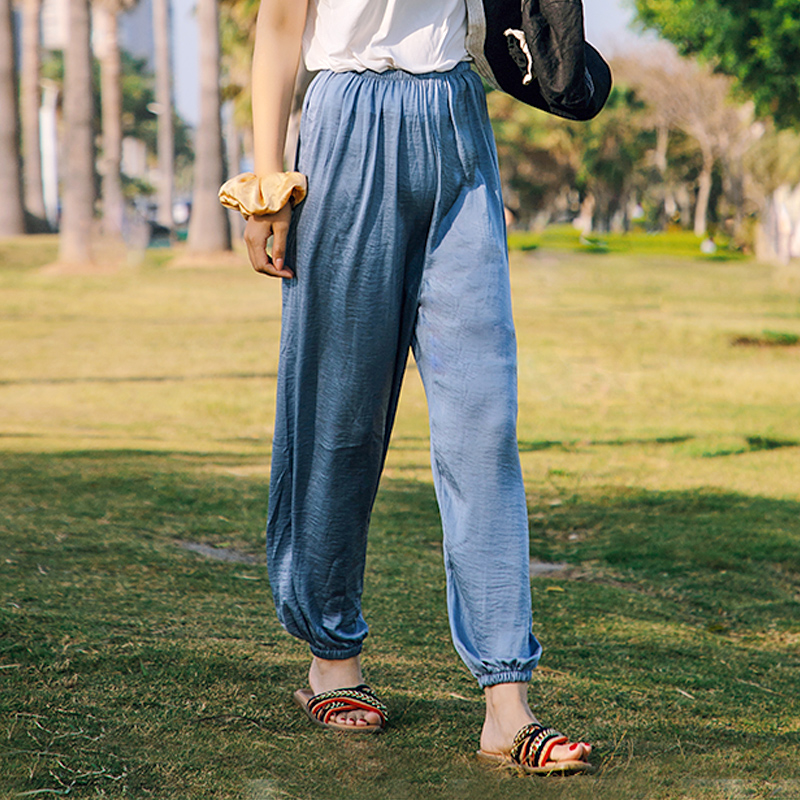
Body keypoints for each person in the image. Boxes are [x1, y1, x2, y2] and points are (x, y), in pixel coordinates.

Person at [220, 0, 593, 775]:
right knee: (341, 420)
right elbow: (281, 26)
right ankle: (332, 657)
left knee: (483, 422)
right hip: (347, 127)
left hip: (455, 116)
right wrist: (267, 184)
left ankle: (507, 703)